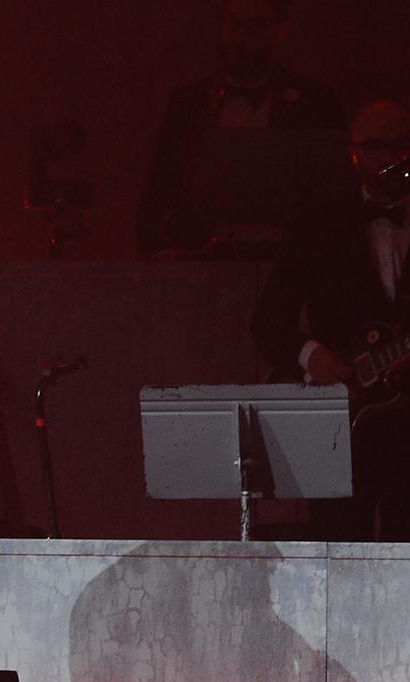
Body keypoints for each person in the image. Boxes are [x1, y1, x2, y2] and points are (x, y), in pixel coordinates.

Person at [251, 100, 410, 540]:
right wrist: (311, 355)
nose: (392, 157)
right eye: (378, 147)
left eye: (401, 145)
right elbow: (267, 321)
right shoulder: (318, 222)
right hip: (346, 421)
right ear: (354, 153)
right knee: (339, 547)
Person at [138, 0, 347, 259]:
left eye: (256, 25)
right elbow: (160, 190)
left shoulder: (316, 103)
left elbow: (334, 199)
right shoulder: (188, 103)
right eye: (234, 22)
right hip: (200, 262)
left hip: (289, 266)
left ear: (281, 30)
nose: (240, 36)